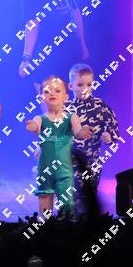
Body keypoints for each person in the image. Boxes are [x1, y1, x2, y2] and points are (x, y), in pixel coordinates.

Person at [26, 76, 91, 219]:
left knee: (67, 207)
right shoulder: (40, 118)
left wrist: (83, 132)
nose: (52, 93)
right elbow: (36, 128)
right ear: (42, 97)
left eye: (57, 90)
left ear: (65, 97)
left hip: (64, 170)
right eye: (47, 91)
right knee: (45, 208)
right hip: (45, 169)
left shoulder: (71, 117)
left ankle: (66, 227)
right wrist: (33, 127)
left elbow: (78, 132)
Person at [65, 63, 120, 217]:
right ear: (71, 86)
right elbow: (55, 131)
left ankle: (87, 224)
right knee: (74, 197)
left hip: (93, 162)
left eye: (89, 84)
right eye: (80, 85)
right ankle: (71, 221)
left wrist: (109, 136)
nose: (85, 89)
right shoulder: (66, 108)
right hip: (71, 161)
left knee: (90, 197)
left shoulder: (100, 105)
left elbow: (113, 126)